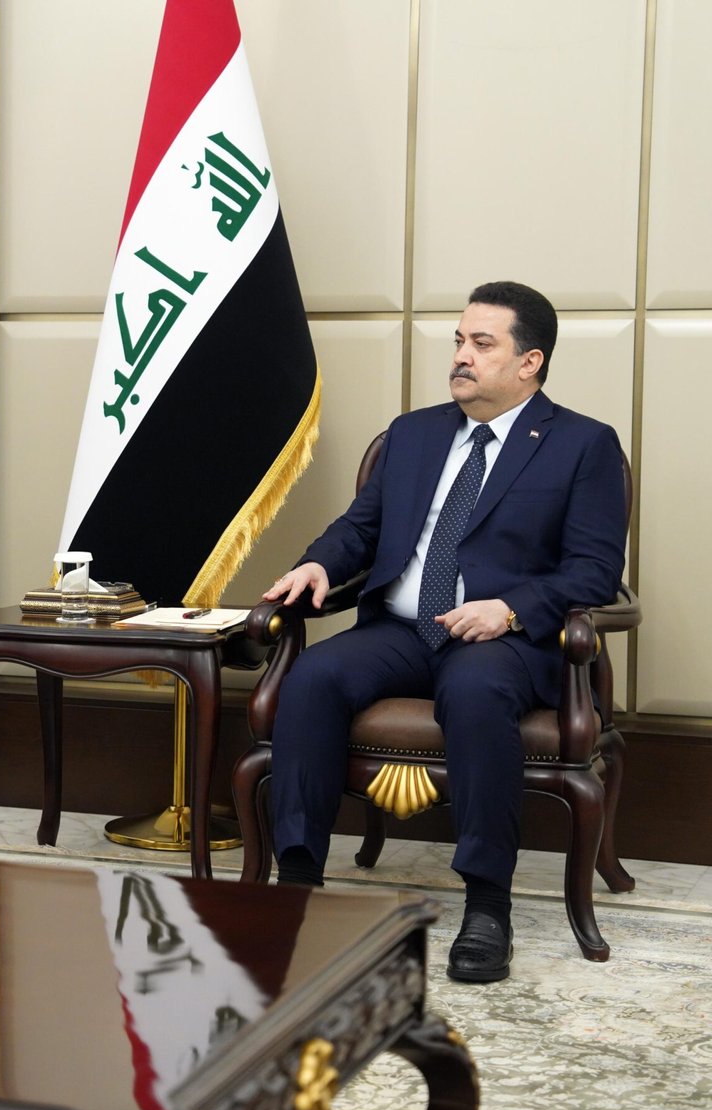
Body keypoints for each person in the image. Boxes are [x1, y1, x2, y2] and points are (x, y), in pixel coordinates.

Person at [262, 281, 627, 984]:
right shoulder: (414, 433)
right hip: (402, 628)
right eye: (459, 341)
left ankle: (487, 905)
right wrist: (318, 563)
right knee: (314, 677)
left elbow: (594, 571)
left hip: (503, 642)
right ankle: (298, 884)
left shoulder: (582, 445)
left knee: (476, 692)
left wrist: (510, 608)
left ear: (530, 361)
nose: (461, 355)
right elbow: (359, 529)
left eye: (482, 344)